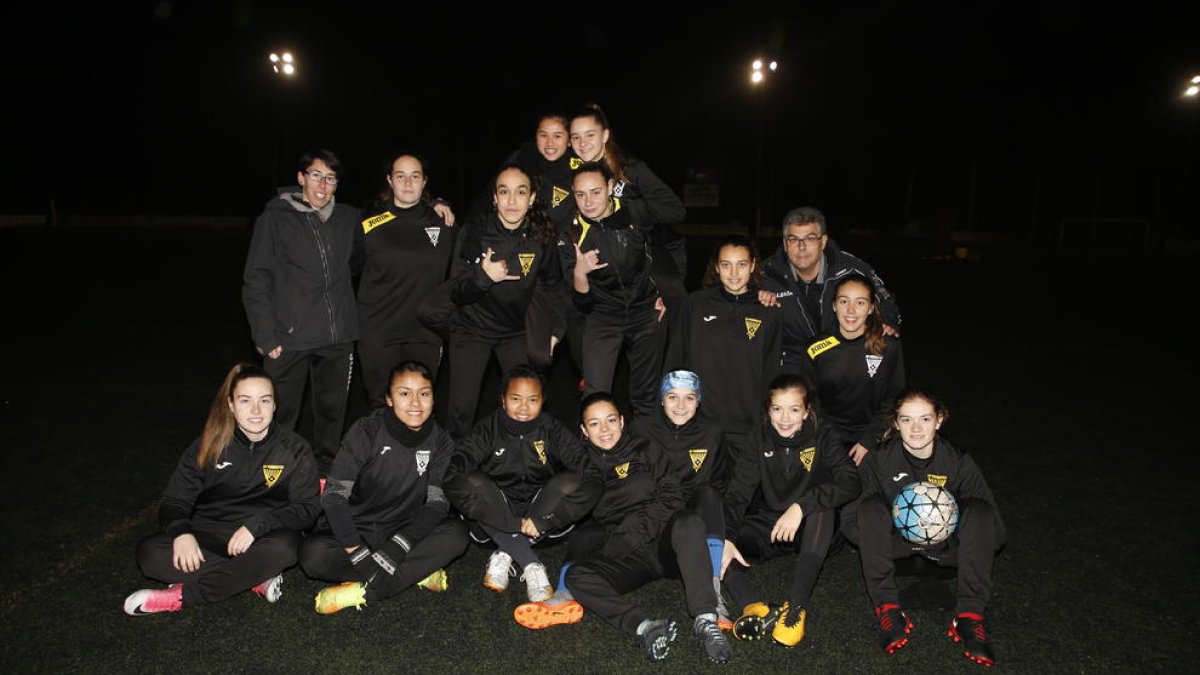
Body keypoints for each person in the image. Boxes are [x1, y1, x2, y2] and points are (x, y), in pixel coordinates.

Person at [516, 393, 732, 663]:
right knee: (577, 576)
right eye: (594, 424)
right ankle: (645, 627)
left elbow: (672, 496)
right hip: (628, 555)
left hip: (666, 544)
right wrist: (542, 520)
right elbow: (571, 505)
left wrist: (634, 534)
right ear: (584, 430)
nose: (604, 429)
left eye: (610, 420)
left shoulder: (646, 449)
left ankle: (706, 619)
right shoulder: (583, 468)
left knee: (688, 522)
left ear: (621, 420)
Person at [124, 364, 320, 615]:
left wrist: (258, 525)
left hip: (263, 536)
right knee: (150, 555)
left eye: (264, 400)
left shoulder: (295, 449)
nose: (256, 410)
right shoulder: (209, 445)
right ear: (231, 405)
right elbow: (175, 500)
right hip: (211, 533)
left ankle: (182, 597)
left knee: (285, 549)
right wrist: (182, 533)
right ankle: (253, 575)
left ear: (275, 405)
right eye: (245, 400)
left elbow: (307, 509)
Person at [840, 388, 1006, 666]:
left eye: (925, 419)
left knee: (979, 509)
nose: (916, 428)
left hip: (946, 554)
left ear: (939, 420)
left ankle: (969, 616)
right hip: (894, 553)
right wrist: (888, 540)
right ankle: (888, 609)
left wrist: (942, 535)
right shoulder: (878, 459)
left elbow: (996, 531)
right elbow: (850, 520)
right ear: (895, 423)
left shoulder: (957, 460)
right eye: (906, 420)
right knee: (869, 506)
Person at [298, 361, 468, 613]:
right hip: (359, 528)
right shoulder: (367, 431)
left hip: (404, 531)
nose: (415, 402)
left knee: (457, 535)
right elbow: (333, 497)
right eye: (404, 393)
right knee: (313, 556)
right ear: (389, 399)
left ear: (433, 399)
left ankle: (365, 590)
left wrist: (398, 547)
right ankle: (415, 573)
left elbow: (437, 504)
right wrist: (358, 554)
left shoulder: (441, 442)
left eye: (424, 393)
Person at [721, 374, 860, 648]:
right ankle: (754, 607)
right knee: (714, 538)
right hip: (774, 526)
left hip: (815, 529)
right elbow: (738, 493)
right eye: (777, 409)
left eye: (794, 410)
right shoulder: (759, 437)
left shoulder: (823, 433)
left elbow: (851, 481)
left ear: (807, 411)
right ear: (768, 410)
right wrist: (725, 536)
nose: (785, 419)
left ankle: (795, 608)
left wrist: (801, 506)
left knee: (822, 510)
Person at [242, 149, 358, 474]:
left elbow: (388, 218)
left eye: (330, 178)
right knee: (279, 415)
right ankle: (271, 476)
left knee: (332, 415)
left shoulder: (348, 218)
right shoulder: (275, 219)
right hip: (289, 339)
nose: (323, 185)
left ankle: (324, 476)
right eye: (316, 176)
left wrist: (435, 203)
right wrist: (265, 335)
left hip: (337, 338)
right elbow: (256, 279)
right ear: (301, 178)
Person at [443, 366, 600, 603]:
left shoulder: (551, 428)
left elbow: (592, 477)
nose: (524, 408)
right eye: (516, 399)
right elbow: (452, 475)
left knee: (573, 480)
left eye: (532, 400)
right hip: (493, 520)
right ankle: (530, 562)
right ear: (503, 399)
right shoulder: (488, 428)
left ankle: (507, 550)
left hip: (540, 523)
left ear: (542, 401)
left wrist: (548, 519)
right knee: (471, 478)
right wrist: (508, 523)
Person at [444, 165, 566, 439]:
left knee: (524, 406)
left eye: (520, 192)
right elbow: (455, 292)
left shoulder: (541, 237)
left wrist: (557, 331)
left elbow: (553, 286)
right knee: (461, 409)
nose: (512, 200)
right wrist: (483, 278)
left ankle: (521, 459)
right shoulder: (474, 233)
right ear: (495, 198)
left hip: (514, 332)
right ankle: (455, 462)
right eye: (504, 192)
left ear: (531, 198)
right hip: (471, 330)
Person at [558, 162, 665, 418]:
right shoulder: (570, 234)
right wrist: (580, 273)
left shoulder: (634, 213)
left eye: (595, 192)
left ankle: (645, 443)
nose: (588, 202)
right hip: (602, 316)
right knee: (595, 396)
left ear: (609, 187)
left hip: (646, 312)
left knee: (646, 396)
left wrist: (667, 294)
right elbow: (582, 301)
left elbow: (666, 252)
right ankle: (594, 444)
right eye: (580, 194)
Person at [632, 370, 736, 629]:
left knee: (709, 494)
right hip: (658, 533)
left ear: (698, 401)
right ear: (661, 399)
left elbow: (722, 483)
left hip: (693, 532)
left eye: (689, 398)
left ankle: (713, 588)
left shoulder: (712, 433)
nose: (680, 405)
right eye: (672, 397)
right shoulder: (641, 429)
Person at [353, 151, 457, 407]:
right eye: (400, 176)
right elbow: (346, 270)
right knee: (381, 405)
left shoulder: (444, 222)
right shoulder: (368, 223)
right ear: (390, 180)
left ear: (424, 181)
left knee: (418, 406)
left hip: (425, 333)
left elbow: (462, 272)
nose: (408, 183)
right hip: (379, 333)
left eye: (415, 176)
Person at [666, 236, 784, 451]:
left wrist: (767, 418)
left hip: (748, 426)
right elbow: (675, 359)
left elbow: (772, 370)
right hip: (700, 423)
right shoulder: (695, 304)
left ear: (753, 266)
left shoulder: (768, 311)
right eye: (726, 264)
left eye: (742, 264)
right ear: (717, 267)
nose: (734, 273)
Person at [759, 206, 901, 374]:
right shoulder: (767, 275)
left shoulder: (851, 269)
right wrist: (758, 299)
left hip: (843, 363)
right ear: (785, 243)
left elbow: (885, 300)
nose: (801, 246)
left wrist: (888, 322)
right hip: (792, 369)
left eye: (810, 238)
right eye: (793, 239)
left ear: (823, 241)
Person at [804, 273, 906, 466]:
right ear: (834, 305)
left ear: (871, 308)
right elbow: (810, 402)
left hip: (875, 436)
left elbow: (894, 399)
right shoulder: (815, 348)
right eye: (844, 301)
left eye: (860, 303)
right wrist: (829, 440)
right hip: (828, 436)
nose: (851, 310)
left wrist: (869, 440)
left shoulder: (888, 346)